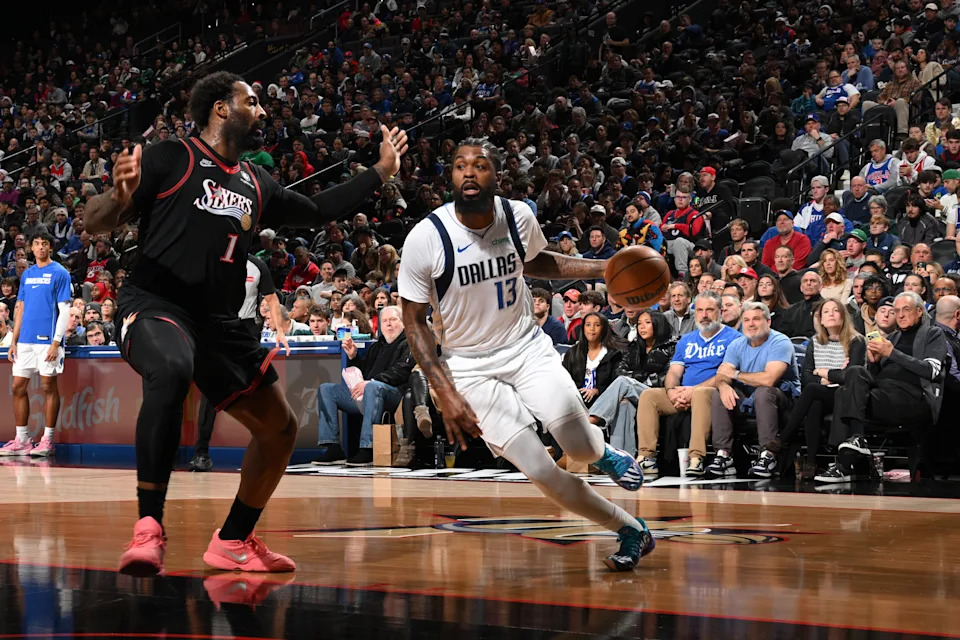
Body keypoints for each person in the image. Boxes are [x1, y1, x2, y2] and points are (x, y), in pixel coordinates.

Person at [82, 71, 408, 575]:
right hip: (155, 303)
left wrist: (381, 172)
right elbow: (95, 220)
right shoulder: (172, 157)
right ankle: (148, 528)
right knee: (170, 368)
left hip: (218, 323)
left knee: (279, 430)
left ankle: (234, 539)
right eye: (252, 101)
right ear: (219, 108)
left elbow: (319, 209)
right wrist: (119, 199)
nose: (261, 110)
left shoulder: (257, 182)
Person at [398, 139, 655, 572]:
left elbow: (538, 263)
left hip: (526, 347)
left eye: (480, 165)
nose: (469, 172)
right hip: (469, 365)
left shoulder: (518, 215)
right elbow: (413, 322)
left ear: (497, 175)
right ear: (451, 177)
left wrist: (605, 266)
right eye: (460, 165)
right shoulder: (427, 237)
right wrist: (444, 391)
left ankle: (604, 453)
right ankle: (631, 529)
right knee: (540, 468)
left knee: (577, 445)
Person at [817, 292, 947, 482]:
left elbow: (932, 371)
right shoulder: (892, 337)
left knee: (844, 394)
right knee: (853, 374)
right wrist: (875, 363)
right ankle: (856, 440)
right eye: (897, 311)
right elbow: (876, 377)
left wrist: (892, 353)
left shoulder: (932, 333)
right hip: (882, 394)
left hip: (912, 397)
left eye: (906, 310)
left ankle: (844, 464)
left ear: (919, 312)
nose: (900, 315)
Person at [189, 255, 286, 472]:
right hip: (217, 327)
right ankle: (201, 453)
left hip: (247, 329)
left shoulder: (258, 265)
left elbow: (271, 299)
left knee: (257, 391)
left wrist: (279, 330)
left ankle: (264, 449)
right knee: (211, 392)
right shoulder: (214, 259)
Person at [634, 292, 741, 476]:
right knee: (649, 396)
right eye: (699, 310)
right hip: (683, 393)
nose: (704, 315)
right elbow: (674, 372)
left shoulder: (734, 338)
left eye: (709, 310)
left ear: (720, 312)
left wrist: (694, 390)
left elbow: (725, 375)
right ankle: (647, 458)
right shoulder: (687, 339)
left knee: (700, 394)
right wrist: (672, 391)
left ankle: (696, 458)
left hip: (711, 393)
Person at [707, 302, 800, 479]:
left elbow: (769, 379)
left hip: (783, 400)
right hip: (751, 397)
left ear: (768, 321)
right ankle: (723, 456)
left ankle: (768, 455)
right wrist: (723, 385)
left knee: (763, 391)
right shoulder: (737, 344)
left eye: (756, 319)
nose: (751, 324)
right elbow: (721, 374)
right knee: (719, 392)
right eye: (746, 320)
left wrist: (735, 374)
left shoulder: (780, 342)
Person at [312, 306, 414, 466]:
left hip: (394, 395)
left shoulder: (409, 343)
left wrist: (372, 382)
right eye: (385, 321)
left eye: (393, 320)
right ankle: (332, 447)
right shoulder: (377, 346)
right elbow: (364, 370)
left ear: (403, 322)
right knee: (327, 389)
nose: (388, 324)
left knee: (373, 387)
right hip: (369, 394)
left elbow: (402, 370)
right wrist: (353, 357)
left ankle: (368, 448)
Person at [776, 299, 866, 479]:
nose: (831, 314)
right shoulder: (815, 342)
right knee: (814, 401)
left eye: (836, 310)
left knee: (811, 390)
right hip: (822, 392)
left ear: (843, 316)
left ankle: (784, 439)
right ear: (821, 320)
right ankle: (811, 462)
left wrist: (823, 372)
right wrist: (829, 377)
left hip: (846, 395)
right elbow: (807, 375)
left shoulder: (856, 341)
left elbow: (850, 376)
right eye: (826, 312)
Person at [1, 232, 71, 458]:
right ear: (31, 248)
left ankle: (47, 440)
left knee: (49, 387)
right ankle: (22, 439)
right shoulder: (27, 274)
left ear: (50, 247)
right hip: (25, 342)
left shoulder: (60, 273)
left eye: (45, 244)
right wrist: (14, 340)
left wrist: (56, 342)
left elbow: (65, 310)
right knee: (17, 387)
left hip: (48, 341)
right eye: (37, 244)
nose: (41, 248)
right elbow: (19, 308)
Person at [588, 310, 677, 463]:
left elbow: (667, 377)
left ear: (658, 324)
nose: (642, 327)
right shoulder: (635, 346)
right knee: (624, 403)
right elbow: (620, 370)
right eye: (640, 324)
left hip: (659, 394)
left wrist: (637, 380)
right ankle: (622, 459)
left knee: (624, 383)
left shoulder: (672, 346)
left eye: (647, 323)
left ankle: (591, 419)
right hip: (636, 392)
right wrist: (638, 379)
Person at [561, 312, 624, 410]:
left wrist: (596, 391)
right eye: (588, 325)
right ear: (583, 328)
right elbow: (563, 378)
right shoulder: (573, 352)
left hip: (603, 401)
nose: (592, 329)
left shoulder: (614, 354)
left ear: (603, 329)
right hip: (576, 400)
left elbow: (616, 385)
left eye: (597, 325)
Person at [780, 271, 825, 337]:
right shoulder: (792, 310)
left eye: (813, 281)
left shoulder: (826, 307)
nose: (808, 283)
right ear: (801, 288)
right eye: (805, 281)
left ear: (820, 287)